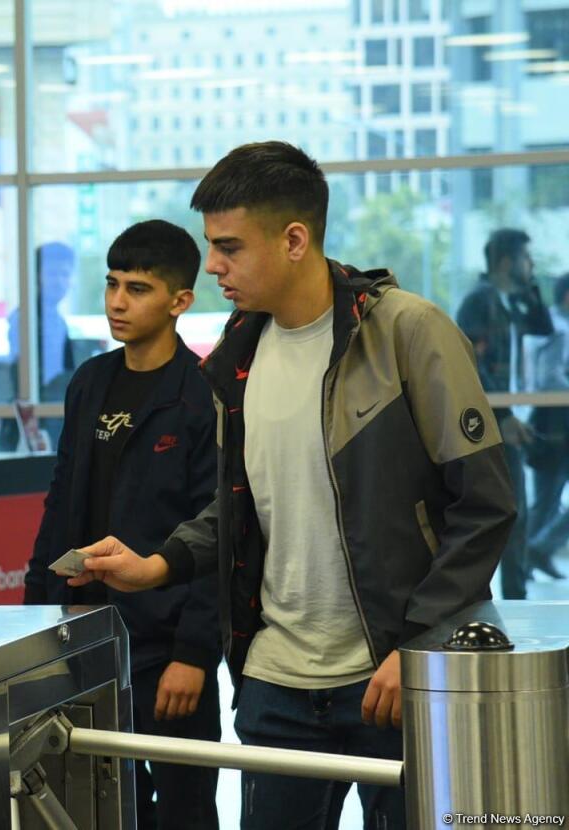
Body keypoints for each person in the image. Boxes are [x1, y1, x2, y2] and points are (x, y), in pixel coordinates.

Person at [66, 142, 515, 830]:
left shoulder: (407, 332)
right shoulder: (238, 352)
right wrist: (158, 564)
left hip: (391, 677)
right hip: (275, 684)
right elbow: (246, 500)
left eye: (229, 247)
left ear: (295, 240)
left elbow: (484, 504)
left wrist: (421, 643)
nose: (212, 265)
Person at [23, 220, 221, 830]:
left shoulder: (202, 394)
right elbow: (61, 504)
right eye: (112, 284)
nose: (116, 301)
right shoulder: (91, 382)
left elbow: (219, 529)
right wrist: (34, 617)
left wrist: (194, 653)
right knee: (97, 802)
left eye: (137, 289)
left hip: (166, 644)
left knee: (185, 810)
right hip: (86, 636)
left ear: (180, 300)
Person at [456, 228, 553, 599]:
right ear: (507, 262)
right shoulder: (480, 302)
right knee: (505, 514)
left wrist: (532, 291)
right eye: (526, 259)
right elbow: (469, 364)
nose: (532, 266)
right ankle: (506, 599)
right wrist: (502, 416)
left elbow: (544, 330)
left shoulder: (509, 302)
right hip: (489, 424)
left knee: (515, 514)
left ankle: (515, 597)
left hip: (505, 420)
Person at [0, 241, 78, 449]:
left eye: (65, 274)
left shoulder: (59, 321)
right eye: (52, 274)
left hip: (54, 413)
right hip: (34, 420)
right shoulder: (25, 318)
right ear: (36, 277)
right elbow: (21, 372)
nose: (59, 281)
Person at [524, 272, 569, 580]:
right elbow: (548, 377)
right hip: (554, 421)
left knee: (547, 497)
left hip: (556, 419)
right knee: (546, 497)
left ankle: (536, 551)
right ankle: (533, 553)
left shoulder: (555, 323)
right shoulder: (554, 327)